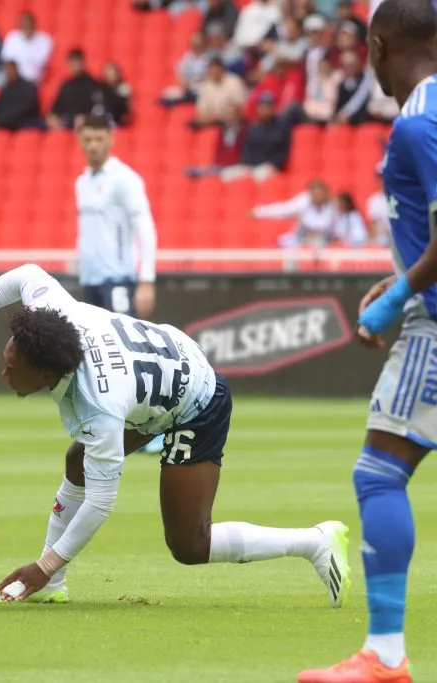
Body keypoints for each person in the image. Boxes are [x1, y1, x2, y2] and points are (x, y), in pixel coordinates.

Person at [0, 264, 350, 608]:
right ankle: (56, 586)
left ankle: (315, 542)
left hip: (194, 398)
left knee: (189, 543)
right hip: (152, 374)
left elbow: (102, 502)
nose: (3, 372)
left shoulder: (99, 406)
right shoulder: (54, 318)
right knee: (78, 462)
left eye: (13, 370)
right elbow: (27, 274)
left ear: (47, 374)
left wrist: (43, 566)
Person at [299, 1, 437, 681]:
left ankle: (384, 654)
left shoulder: (419, 121)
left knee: (379, 471)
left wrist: (400, 299)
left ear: (379, 46)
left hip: (436, 326)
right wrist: (402, 271)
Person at [74, 114, 161, 455]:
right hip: (93, 280)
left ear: (110, 139)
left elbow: (146, 228)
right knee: (97, 356)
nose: (93, 145)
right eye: (88, 139)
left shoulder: (125, 180)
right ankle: (110, 426)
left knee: (131, 354)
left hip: (120, 278)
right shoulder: (82, 181)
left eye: (99, 138)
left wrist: (146, 279)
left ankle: (151, 429)